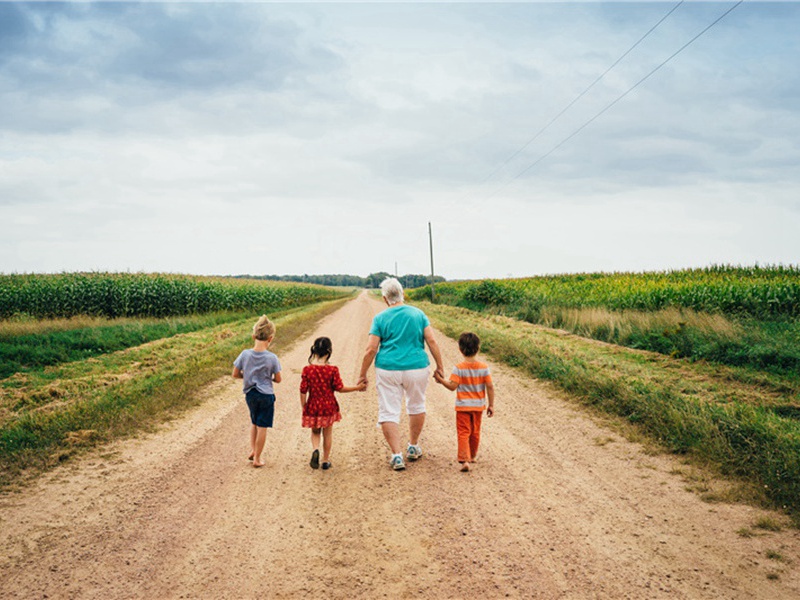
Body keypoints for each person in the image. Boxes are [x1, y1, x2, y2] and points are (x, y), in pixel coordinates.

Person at [358, 277, 444, 471]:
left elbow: (371, 350)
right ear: (402, 294)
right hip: (417, 367)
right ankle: (413, 446)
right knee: (417, 404)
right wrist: (440, 366)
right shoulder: (418, 314)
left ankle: (396, 455)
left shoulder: (380, 318)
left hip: (388, 369)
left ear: (384, 298)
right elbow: (432, 341)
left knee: (388, 410)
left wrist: (362, 374)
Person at [300, 336, 366, 470]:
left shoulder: (307, 370)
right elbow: (340, 388)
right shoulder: (332, 370)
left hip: (313, 404)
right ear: (329, 351)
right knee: (328, 433)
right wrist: (357, 388)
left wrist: (304, 406)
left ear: (314, 350)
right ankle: (325, 460)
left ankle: (315, 449)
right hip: (328, 405)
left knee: (315, 432)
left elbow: (303, 390)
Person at [434, 332, 495, 472]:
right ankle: (472, 455)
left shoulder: (459, 368)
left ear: (460, 349)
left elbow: (452, 386)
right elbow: (490, 387)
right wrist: (491, 404)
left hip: (463, 407)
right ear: (478, 348)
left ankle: (464, 460)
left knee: (463, 432)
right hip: (478, 407)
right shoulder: (484, 367)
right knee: (475, 431)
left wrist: (441, 380)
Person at [232, 315, 282, 468]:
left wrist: (247, 376)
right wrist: (269, 380)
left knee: (254, 422)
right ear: (270, 338)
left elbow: (235, 374)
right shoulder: (272, 358)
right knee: (262, 427)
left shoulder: (245, 354)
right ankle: (258, 459)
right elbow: (278, 379)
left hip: (250, 394)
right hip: (266, 395)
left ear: (253, 336)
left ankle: (253, 450)